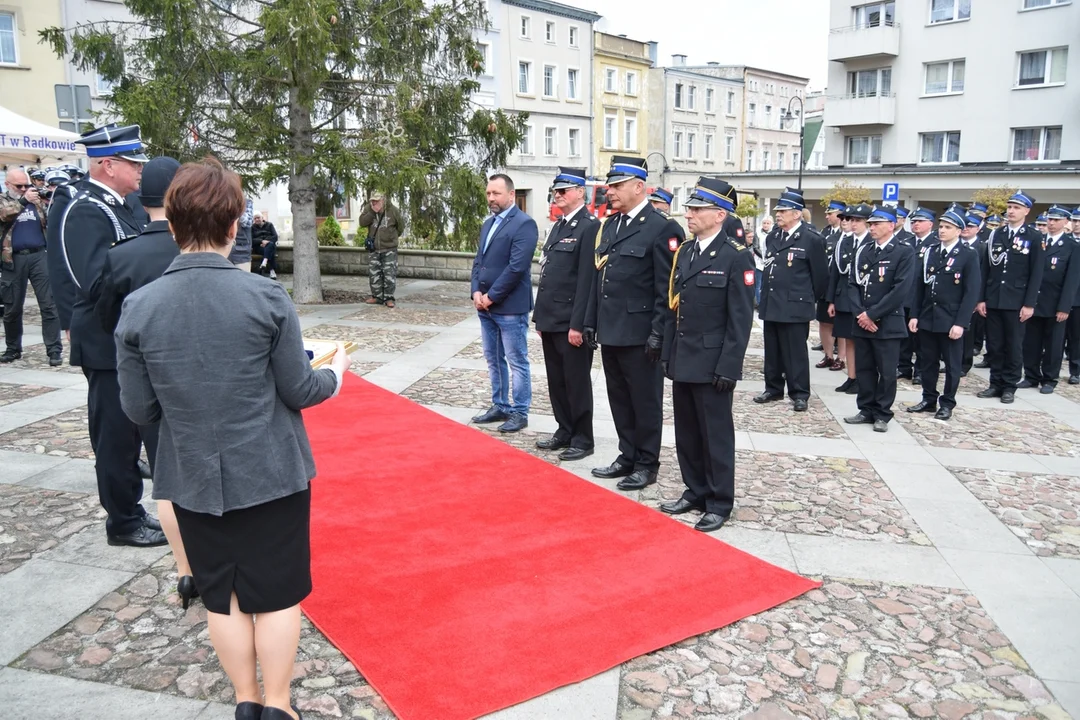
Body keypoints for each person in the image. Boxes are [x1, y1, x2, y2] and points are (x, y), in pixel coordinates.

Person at [115, 157, 348, 720]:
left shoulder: (139, 307)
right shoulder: (265, 299)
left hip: (192, 473)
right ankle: (276, 703)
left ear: (172, 226)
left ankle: (245, 701)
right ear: (234, 224)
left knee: (223, 595)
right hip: (270, 470)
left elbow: (139, 408)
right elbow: (299, 388)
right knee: (277, 594)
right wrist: (335, 373)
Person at [50, 124, 165, 548]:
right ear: (107, 164)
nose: (139, 170)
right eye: (132, 162)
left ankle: (132, 509)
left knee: (131, 431)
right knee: (116, 436)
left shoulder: (122, 204)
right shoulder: (84, 207)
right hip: (106, 342)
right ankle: (123, 521)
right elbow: (92, 281)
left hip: (127, 338)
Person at [90, 155, 198, 602]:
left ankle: (183, 566)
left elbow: (104, 317)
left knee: (156, 469)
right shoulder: (197, 251)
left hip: (141, 378)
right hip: (194, 378)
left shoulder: (122, 255)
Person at [660, 177, 754, 533]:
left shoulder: (735, 256)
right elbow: (674, 307)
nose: (690, 214)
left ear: (719, 214)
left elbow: (740, 319)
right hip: (684, 356)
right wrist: (669, 351)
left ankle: (718, 500)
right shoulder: (685, 251)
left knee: (715, 434)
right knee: (687, 431)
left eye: (698, 209)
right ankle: (695, 489)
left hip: (713, 361)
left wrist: (729, 365)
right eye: (690, 207)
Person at [583, 155, 674, 491]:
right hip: (612, 329)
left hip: (640, 334)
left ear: (639, 187)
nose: (611, 191)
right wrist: (592, 320)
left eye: (618, 185)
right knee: (619, 397)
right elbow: (600, 276)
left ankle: (647, 462)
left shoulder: (662, 227)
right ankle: (627, 453)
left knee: (645, 400)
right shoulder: (612, 225)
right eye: (610, 186)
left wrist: (658, 334)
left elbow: (666, 289)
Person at [533, 168, 600, 461]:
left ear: (580, 192)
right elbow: (549, 272)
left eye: (563, 191)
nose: (557, 196)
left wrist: (579, 324)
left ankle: (583, 438)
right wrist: (540, 317)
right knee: (557, 380)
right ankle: (564, 428)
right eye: (555, 192)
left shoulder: (589, 227)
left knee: (576, 381)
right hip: (552, 318)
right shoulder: (559, 226)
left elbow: (587, 280)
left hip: (571, 322)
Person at [469, 174, 538, 433]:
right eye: (488, 193)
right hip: (484, 305)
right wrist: (476, 291)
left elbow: (517, 267)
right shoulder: (488, 224)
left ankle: (520, 411)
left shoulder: (524, 224)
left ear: (511, 195)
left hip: (509, 307)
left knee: (516, 360)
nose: (491, 198)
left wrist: (491, 296)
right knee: (493, 359)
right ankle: (500, 405)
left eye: (496, 193)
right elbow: (479, 261)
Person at [755, 187, 827, 413]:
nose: (778, 215)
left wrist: (807, 299)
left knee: (795, 352)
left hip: (795, 304)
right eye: (778, 210)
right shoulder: (775, 235)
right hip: (772, 301)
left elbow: (820, 277)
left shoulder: (811, 238)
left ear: (797, 213)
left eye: (783, 211)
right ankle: (773, 387)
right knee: (773, 349)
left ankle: (799, 393)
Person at [844, 206, 915, 433]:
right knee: (865, 368)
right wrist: (860, 314)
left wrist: (872, 314)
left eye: (876, 224)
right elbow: (853, 284)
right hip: (863, 321)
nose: (871, 227)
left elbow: (900, 290)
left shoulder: (903, 251)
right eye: (871, 224)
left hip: (887, 322)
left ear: (891, 225)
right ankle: (865, 409)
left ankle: (883, 413)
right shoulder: (864, 250)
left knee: (886, 372)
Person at [906, 208, 980, 421]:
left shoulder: (968, 255)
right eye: (941, 226)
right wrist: (914, 315)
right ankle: (929, 398)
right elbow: (920, 287)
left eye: (948, 227)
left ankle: (947, 402)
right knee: (927, 361)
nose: (942, 231)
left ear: (959, 230)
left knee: (952, 365)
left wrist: (961, 322)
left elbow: (971, 292)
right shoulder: (931, 252)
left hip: (951, 319)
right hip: (929, 317)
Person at [976, 191, 1044, 404]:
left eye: (1016, 207)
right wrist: (981, 299)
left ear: (1026, 211)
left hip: (1017, 301)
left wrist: (1029, 304)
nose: (1011, 211)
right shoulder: (997, 234)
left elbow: (1036, 273)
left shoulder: (1034, 237)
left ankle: (1009, 386)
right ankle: (995, 382)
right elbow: (986, 269)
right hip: (994, 298)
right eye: (1010, 207)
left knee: (1013, 345)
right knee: (995, 345)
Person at [0, 169, 64, 365]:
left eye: (27, 185)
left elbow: (50, 219)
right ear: (8, 185)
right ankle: (13, 348)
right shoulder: (4, 200)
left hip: (38, 255)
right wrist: (23, 200)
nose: (24, 189)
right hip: (13, 258)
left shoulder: (35, 200)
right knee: (12, 308)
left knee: (48, 305)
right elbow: (4, 214)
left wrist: (50, 199)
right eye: (19, 186)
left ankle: (54, 350)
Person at [1020, 205, 1080, 394]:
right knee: (1031, 342)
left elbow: (1072, 280)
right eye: (1050, 220)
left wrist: (1064, 307)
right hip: (1034, 301)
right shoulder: (1038, 241)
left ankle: (1049, 378)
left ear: (1065, 222)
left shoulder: (1072, 246)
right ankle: (1031, 375)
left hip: (1055, 303)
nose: (1051, 223)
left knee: (1054, 343)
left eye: (1056, 220)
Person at [828, 204, 872, 394]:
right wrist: (831, 300)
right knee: (849, 340)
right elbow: (836, 273)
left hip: (864, 302)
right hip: (844, 299)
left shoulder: (872, 242)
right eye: (851, 220)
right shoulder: (844, 242)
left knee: (864, 343)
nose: (853, 224)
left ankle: (864, 379)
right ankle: (852, 377)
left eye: (858, 220)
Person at [898, 207, 938, 384]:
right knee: (904, 337)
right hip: (905, 297)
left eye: (920, 221)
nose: (915, 224)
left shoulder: (935, 243)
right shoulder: (907, 242)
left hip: (923, 298)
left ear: (930, 224)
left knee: (922, 339)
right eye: (913, 221)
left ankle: (920, 371)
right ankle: (903, 367)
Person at [359, 192, 404, 307]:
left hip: (389, 248)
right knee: (374, 274)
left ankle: (389, 298)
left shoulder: (393, 210)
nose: (374, 203)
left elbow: (400, 227)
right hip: (374, 248)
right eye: (372, 200)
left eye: (376, 201)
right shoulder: (368, 209)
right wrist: (372, 212)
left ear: (383, 200)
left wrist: (391, 238)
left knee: (389, 274)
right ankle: (377, 297)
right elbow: (362, 222)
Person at [816, 201, 846, 371]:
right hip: (825, 283)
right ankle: (828, 355)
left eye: (831, 213)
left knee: (839, 323)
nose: (827, 216)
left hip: (840, 285)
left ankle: (841, 357)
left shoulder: (846, 234)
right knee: (823, 321)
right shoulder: (825, 233)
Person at [960, 213, 987, 375]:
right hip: (954, 294)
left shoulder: (982, 247)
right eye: (964, 225)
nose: (965, 229)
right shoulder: (956, 245)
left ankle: (965, 363)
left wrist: (978, 299)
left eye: (970, 226)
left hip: (972, 295)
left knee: (968, 333)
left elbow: (983, 275)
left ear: (977, 229)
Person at [1067, 207, 1080, 385]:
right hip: (1065, 296)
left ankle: (1075, 369)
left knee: (1077, 336)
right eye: (1075, 221)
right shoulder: (1067, 243)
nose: (1077, 224)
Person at [228, 196, 254, 270]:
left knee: (242, 279)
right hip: (223, 250)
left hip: (241, 251)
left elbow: (247, 222)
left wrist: (233, 207)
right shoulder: (220, 201)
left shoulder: (247, 202)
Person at [753, 216, 772, 306]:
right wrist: (763, 257)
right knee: (758, 284)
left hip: (770, 261)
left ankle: (767, 302)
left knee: (768, 284)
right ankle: (760, 303)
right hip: (759, 261)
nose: (766, 225)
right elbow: (755, 247)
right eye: (764, 223)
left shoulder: (774, 233)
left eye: (768, 223)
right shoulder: (757, 232)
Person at [252, 214, 279, 279]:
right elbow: (251, 239)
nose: (257, 219)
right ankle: (272, 270)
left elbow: (275, 236)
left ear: (262, 218)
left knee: (270, 246)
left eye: (258, 218)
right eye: (255, 218)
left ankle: (264, 263)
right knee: (271, 249)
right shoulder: (252, 227)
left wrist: (267, 241)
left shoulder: (269, 225)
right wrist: (261, 241)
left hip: (269, 244)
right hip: (259, 247)